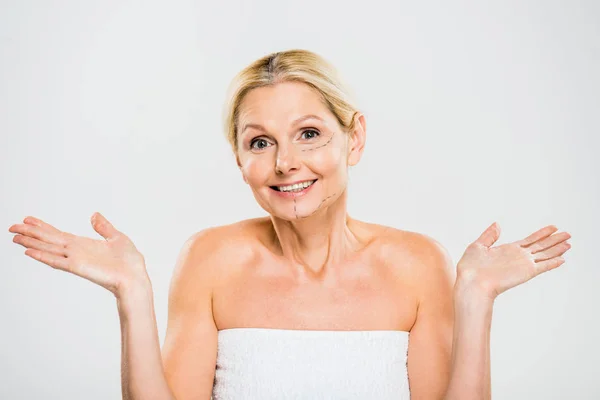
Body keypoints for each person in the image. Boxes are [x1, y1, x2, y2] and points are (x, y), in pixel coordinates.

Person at [8, 49, 571, 400]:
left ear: (354, 139)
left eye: (308, 133)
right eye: (260, 142)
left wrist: (474, 298)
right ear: (238, 159)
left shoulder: (418, 263)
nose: (284, 163)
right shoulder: (210, 259)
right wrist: (133, 294)